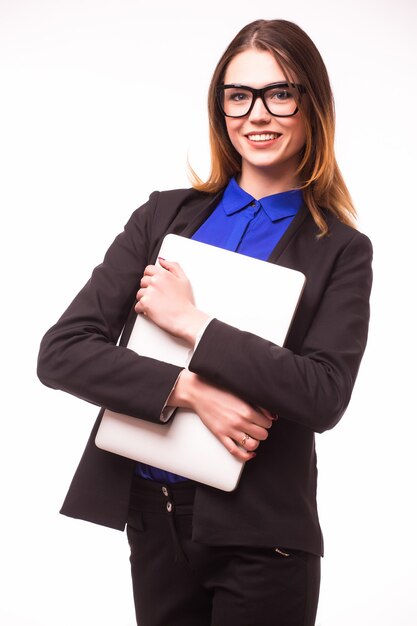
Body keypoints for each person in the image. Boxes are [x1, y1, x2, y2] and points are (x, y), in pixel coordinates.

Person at [37, 18, 373, 626]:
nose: (258, 114)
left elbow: (323, 394)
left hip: (264, 537)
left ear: (311, 105)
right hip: (155, 518)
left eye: (281, 92)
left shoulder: (341, 249)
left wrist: (193, 322)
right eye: (238, 95)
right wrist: (187, 391)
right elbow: (61, 352)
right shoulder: (164, 217)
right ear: (220, 109)